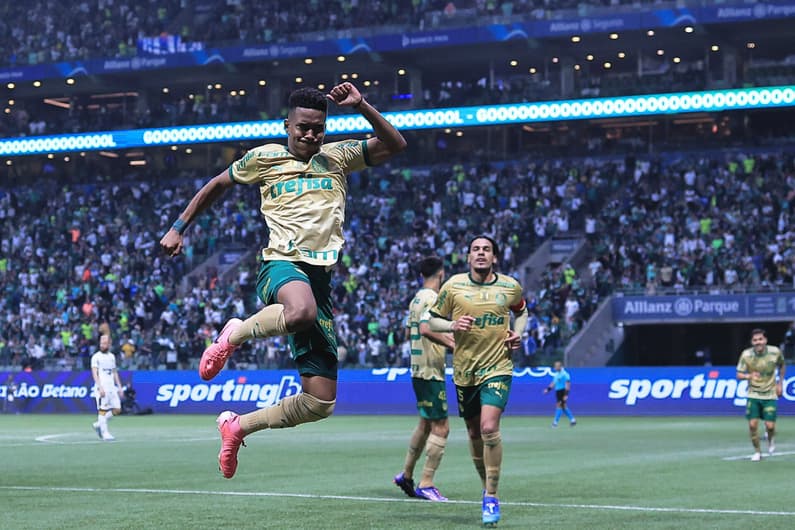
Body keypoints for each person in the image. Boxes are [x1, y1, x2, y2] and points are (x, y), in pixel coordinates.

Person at [160, 82, 406, 479]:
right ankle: (234, 334)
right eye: (303, 127)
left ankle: (237, 427)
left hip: (320, 278)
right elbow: (217, 184)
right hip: (282, 264)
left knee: (320, 402)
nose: (311, 134)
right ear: (287, 125)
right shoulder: (264, 158)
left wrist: (362, 105)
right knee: (300, 310)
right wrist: (178, 227)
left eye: (318, 127)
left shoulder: (339, 155)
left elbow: (395, 144)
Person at [428, 235, 528, 527]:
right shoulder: (453, 287)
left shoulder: (510, 286)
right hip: (464, 371)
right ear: (469, 257)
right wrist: (452, 324)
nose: (481, 253)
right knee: (473, 432)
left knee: (488, 427)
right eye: (476, 250)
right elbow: (432, 320)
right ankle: (487, 486)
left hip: (498, 366)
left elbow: (522, 311)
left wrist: (519, 331)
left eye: (486, 250)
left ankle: (492, 497)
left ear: (494, 257)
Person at [393, 256, 455, 502]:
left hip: (418, 368)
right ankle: (427, 482)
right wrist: (452, 342)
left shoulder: (416, 299)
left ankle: (406, 475)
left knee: (425, 424)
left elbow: (410, 330)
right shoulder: (432, 299)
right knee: (442, 427)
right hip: (430, 371)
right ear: (441, 274)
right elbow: (426, 329)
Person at [736, 328, 786, 461]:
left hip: (770, 394)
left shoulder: (775, 352)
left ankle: (770, 439)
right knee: (752, 425)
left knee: (770, 426)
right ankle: (757, 452)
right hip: (753, 394)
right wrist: (749, 376)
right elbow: (739, 374)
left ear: (765, 340)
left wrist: (780, 383)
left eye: (760, 339)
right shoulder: (746, 355)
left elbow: (782, 366)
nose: (758, 342)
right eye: (755, 340)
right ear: (752, 342)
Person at [91, 334, 123, 441]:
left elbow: (114, 372)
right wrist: (100, 387)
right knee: (103, 410)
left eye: (105, 343)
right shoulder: (96, 357)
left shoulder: (112, 357)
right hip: (102, 387)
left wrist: (119, 386)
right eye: (101, 343)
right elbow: (95, 373)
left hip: (112, 387)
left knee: (117, 409)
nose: (102, 345)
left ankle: (98, 424)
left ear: (109, 344)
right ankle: (105, 433)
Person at [543, 360, 576, 427]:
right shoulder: (557, 374)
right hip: (558, 392)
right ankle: (573, 420)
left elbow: (568, 384)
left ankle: (555, 423)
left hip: (563, 391)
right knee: (563, 407)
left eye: (556, 366)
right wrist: (548, 389)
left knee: (559, 406)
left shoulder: (565, 374)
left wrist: (566, 394)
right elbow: (553, 383)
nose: (555, 367)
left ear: (560, 367)